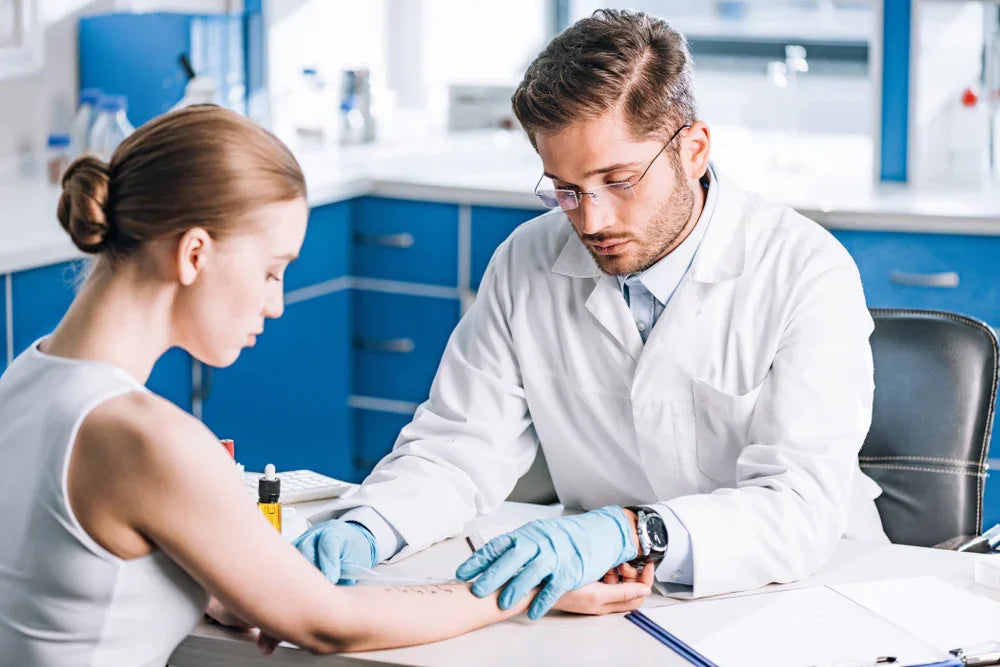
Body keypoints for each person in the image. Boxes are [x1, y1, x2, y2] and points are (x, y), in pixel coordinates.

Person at [0, 105, 653, 666]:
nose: (277, 302)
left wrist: (214, 586)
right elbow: (329, 622)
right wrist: (527, 588)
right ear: (194, 253)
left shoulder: (26, 377)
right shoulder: (147, 439)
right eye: (272, 270)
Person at [297, 9, 888, 618]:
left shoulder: (804, 269)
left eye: (620, 180)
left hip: (804, 593)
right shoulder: (525, 261)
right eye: (566, 189)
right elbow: (458, 447)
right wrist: (369, 525)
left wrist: (630, 530)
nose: (591, 221)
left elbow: (798, 505)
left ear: (692, 150)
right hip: (604, 591)